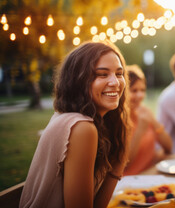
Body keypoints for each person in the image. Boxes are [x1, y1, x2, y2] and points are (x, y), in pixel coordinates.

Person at [20, 41, 130, 208]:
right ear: (78, 79)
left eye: (119, 73)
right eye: (102, 74)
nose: (115, 82)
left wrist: (118, 163)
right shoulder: (82, 128)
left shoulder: (66, 117)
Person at [124, 65, 172, 175]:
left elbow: (168, 147)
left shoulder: (144, 113)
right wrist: (140, 131)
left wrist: (154, 122)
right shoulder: (119, 120)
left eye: (142, 90)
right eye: (134, 90)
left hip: (151, 174)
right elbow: (124, 163)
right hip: (129, 182)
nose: (140, 95)